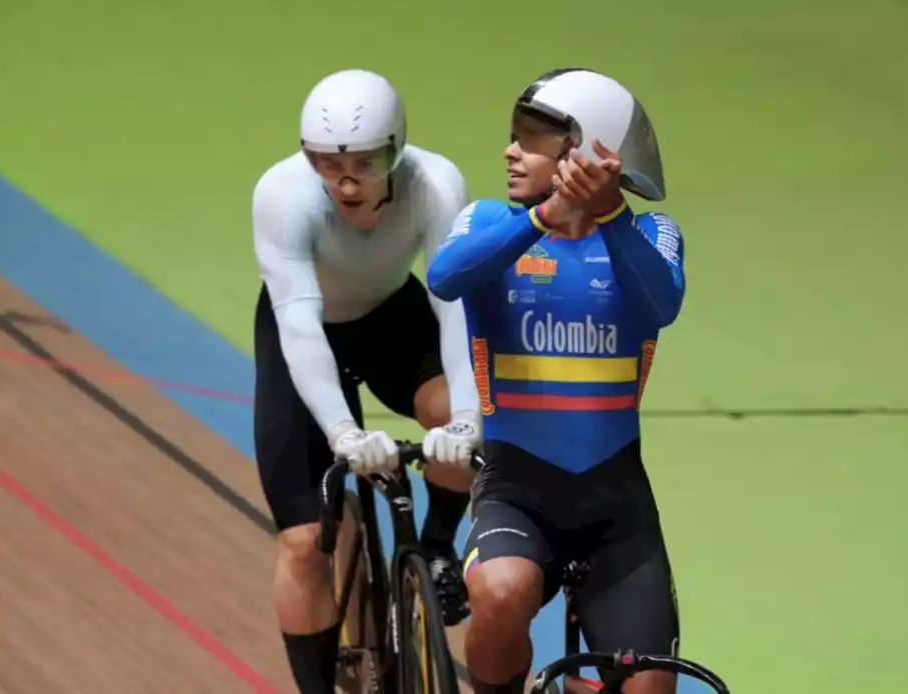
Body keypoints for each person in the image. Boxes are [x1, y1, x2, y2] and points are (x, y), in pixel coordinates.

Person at [426, 68, 686, 694]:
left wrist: (607, 212)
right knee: (499, 588)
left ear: (585, 151)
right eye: (512, 135)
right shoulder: (489, 220)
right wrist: (546, 214)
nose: (509, 151)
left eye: (530, 138)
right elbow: (446, 276)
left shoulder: (652, 233)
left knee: (650, 687)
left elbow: (660, 305)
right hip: (517, 489)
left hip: (616, 505)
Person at [251, 68, 482, 694]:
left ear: (398, 149)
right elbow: (299, 326)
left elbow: (456, 307)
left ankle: (436, 546)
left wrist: (465, 418)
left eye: (365, 162)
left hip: (391, 318)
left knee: (461, 414)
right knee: (303, 543)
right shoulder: (283, 194)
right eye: (326, 163)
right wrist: (344, 432)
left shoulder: (435, 183)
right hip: (306, 329)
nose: (346, 181)